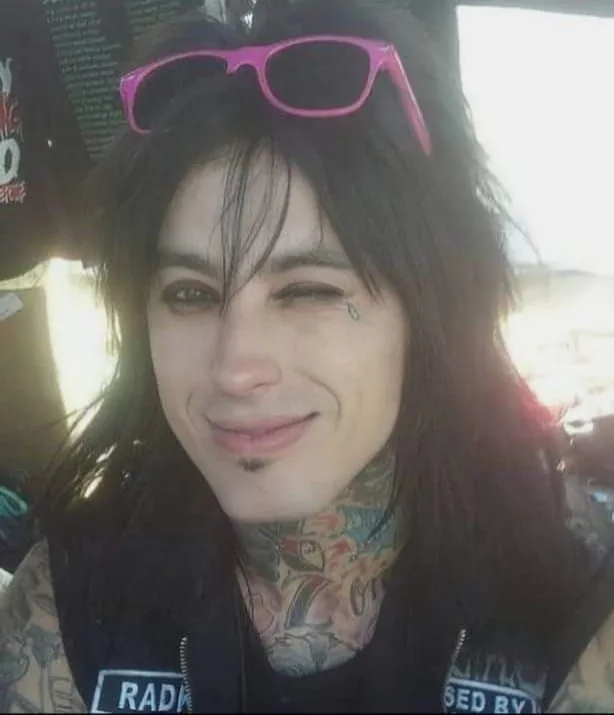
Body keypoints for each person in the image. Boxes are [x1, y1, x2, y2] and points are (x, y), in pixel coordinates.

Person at [1, 1, 612, 711]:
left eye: (309, 291)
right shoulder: (73, 599)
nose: (235, 368)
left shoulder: (572, 591)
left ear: (431, 311)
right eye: (191, 294)